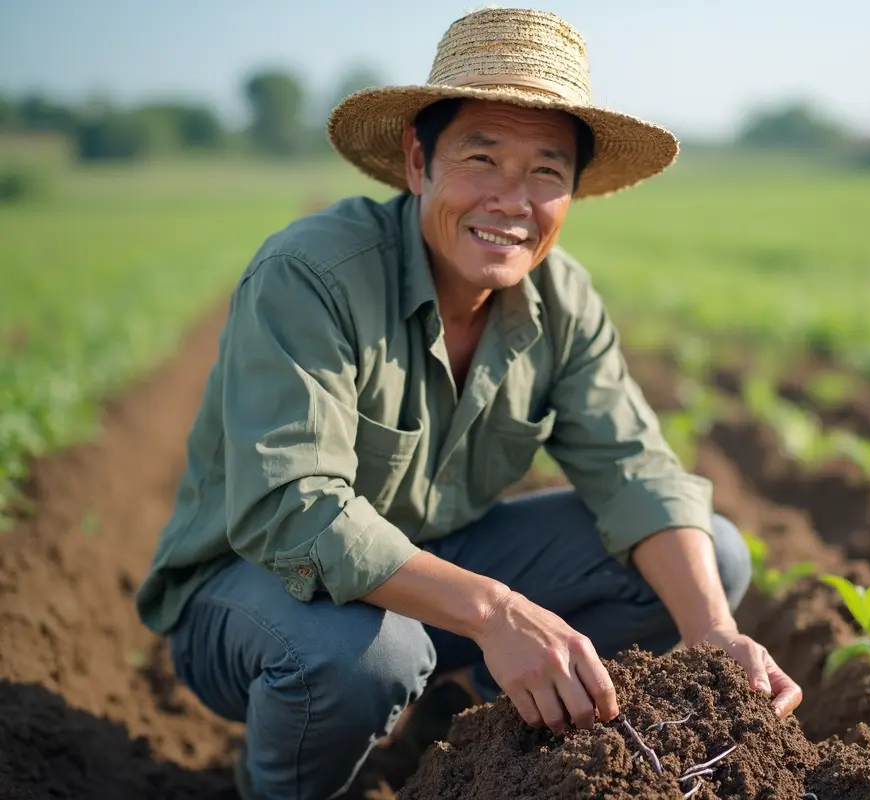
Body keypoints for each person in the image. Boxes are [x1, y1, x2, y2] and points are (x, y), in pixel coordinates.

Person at [135, 8, 803, 800]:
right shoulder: (311, 277)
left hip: (437, 579)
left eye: (546, 172)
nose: (511, 201)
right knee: (363, 656)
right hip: (253, 592)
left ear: (573, 192)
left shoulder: (564, 302)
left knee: (708, 561)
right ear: (419, 162)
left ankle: (466, 733)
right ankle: (282, 786)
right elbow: (294, 508)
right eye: (482, 157)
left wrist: (713, 635)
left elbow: (636, 470)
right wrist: (494, 614)